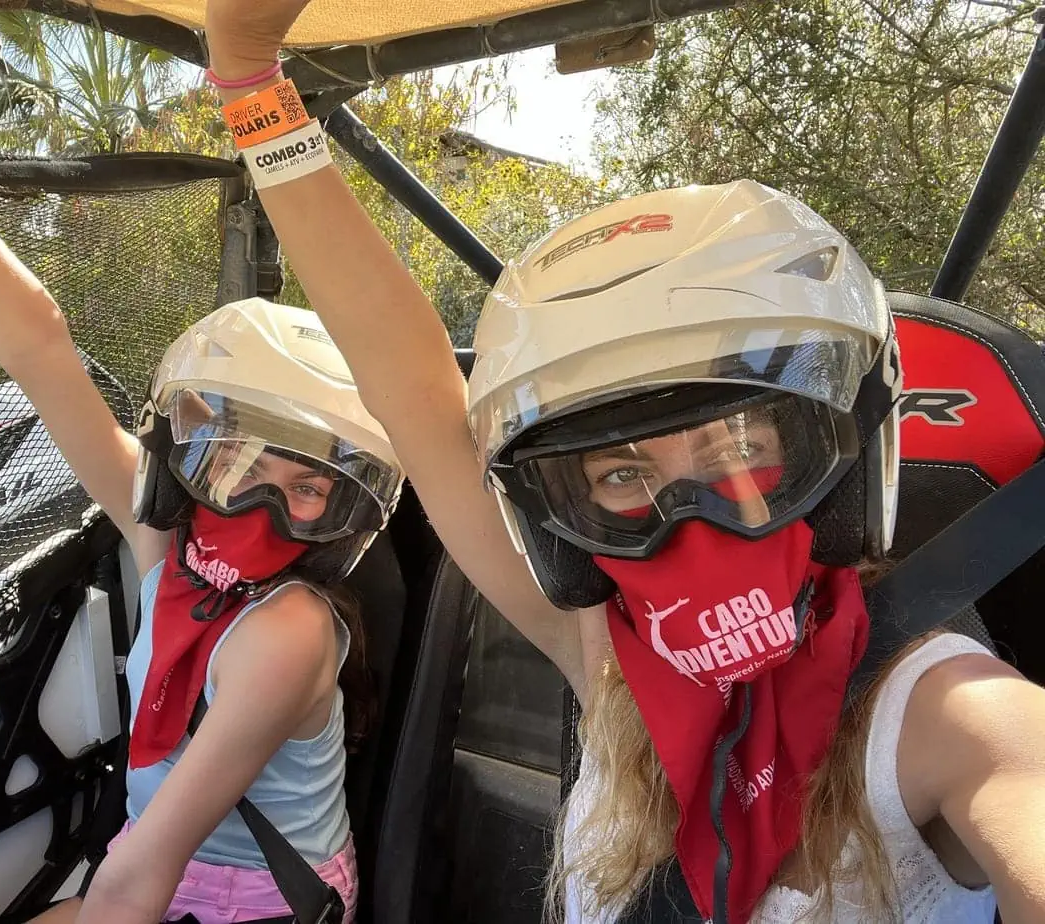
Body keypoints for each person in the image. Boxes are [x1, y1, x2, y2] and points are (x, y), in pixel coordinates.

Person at [188, 2, 1045, 923]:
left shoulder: (947, 715)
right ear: (570, 523)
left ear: (832, 457)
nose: (693, 516)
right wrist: (249, 83)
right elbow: (414, 396)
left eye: (739, 447)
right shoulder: (610, 666)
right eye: (624, 477)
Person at [0, 4, 406, 923]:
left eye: (309, 493)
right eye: (241, 465)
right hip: (150, 870)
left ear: (345, 520)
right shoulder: (163, 538)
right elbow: (38, 347)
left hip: (265, 901)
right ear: (189, 457)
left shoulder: (285, 633)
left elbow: (143, 879)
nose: (264, 512)